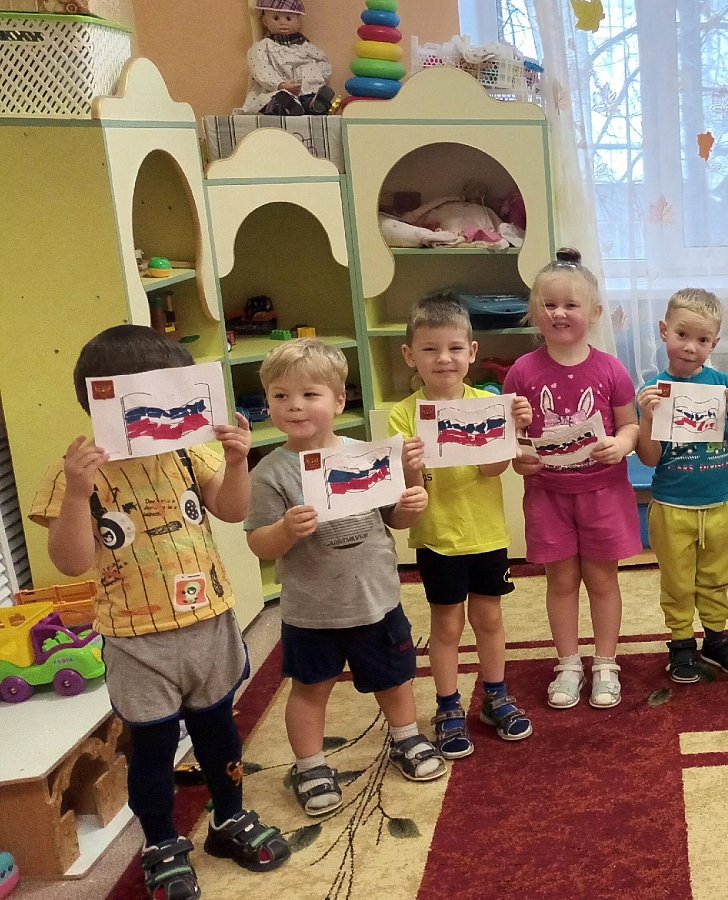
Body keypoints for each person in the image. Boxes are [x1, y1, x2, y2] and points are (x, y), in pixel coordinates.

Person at [32, 326, 290, 900]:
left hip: (209, 620)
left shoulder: (188, 448)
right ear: (100, 402)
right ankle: (160, 842)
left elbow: (231, 510)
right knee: (152, 747)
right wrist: (75, 492)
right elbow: (72, 562)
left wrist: (237, 461)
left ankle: (228, 817)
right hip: (135, 637)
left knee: (219, 731)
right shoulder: (77, 472)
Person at [246, 339, 443, 818]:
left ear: (338, 401)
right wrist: (285, 530)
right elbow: (259, 544)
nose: (295, 405)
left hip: (376, 599)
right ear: (268, 403)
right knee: (310, 688)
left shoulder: (364, 454)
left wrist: (412, 496)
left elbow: (395, 519)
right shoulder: (269, 472)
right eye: (280, 395)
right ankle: (310, 765)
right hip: (312, 612)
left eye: (309, 394)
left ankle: (405, 737)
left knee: (395, 678)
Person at [389, 293, 534, 759]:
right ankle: (448, 706)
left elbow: (494, 471)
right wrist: (409, 464)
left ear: (472, 352)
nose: (444, 359)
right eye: (430, 349)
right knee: (446, 626)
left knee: (489, 619)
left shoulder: (489, 404)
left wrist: (512, 432)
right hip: (437, 538)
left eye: (454, 348)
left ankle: (496, 696)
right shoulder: (403, 414)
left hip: (486, 535)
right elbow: (409, 490)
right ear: (410, 355)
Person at [504, 248, 640, 709]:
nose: (559, 313)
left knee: (602, 580)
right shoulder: (521, 372)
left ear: (595, 313)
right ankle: (567, 663)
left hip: (603, 493)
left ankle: (605, 663)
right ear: (534, 312)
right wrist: (519, 456)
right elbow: (511, 438)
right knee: (560, 582)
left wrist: (622, 444)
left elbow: (630, 425)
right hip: (548, 496)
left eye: (571, 305)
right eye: (549, 305)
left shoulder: (611, 369)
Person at [636, 289, 728, 681]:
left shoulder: (723, 385)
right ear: (663, 331)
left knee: (717, 577)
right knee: (677, 581)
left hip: (720, 503)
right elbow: (648, 458)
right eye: (682, 335)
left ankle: (716, 638)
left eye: (702, 340)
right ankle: (681, 643)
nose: (690, 347)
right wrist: (646, 418)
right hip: (672, 505)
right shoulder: (654, 391)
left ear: (714, 344)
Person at [240, 0, 334, 116]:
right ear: (265, 21)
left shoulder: (306, 47)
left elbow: (323, 62)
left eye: (288, 18)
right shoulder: (263, 47)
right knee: (273, 100)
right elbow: (260, 69)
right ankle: (286, 107)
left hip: (304, 90)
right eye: (276, 18)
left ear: (298, 23)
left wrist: (313, 78)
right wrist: (280, 84)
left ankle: (315, 104)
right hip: (276, 90)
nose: (282, 23)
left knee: (308, 96)